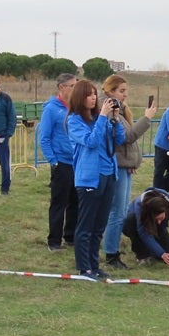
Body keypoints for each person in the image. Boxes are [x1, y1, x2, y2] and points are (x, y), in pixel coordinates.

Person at [67, 79, 125, 281]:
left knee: (99, 225)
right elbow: (91, 142)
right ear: (80, 98)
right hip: (89, 179)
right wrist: (102, 117)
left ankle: (94, 265)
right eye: (89, 95)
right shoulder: (74, 121)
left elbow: (119, 140)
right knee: (86, 226)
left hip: (109, 175)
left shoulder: (98, 118)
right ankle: (84, 268)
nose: (94, 98)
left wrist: (115, 119)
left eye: (94, 94)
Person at [101, 74, 157, 269]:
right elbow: (127, 137)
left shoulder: (120, 110)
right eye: (121, 91)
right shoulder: (109, 110)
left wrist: (131, 160)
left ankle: (112, 248)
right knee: (117, 212)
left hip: (124, 165)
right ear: (110, 90)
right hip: (116, 167)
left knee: (120, 210)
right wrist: (147, 118)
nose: (126, 95)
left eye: (126, 90)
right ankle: (111, 253)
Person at [40, 73, 79, 252]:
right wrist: (53, 161)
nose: (74, 89)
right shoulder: (51, 109)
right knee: (59, 202)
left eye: (75, 85)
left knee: (75, 201)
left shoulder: (76, 107)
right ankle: (54, 241)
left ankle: (70, 236)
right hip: (61, 162)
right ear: (61, 87)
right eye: (71, 86)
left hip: (77, 162)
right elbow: (44, 138)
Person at [123, 188, 169, 266]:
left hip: (159, 228)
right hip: (133, 225)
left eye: (160, 219)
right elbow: (144, 234)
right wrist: (161, 253)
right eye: (156, 219)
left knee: (168, 255)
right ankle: (142, 255)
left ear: (165, 210)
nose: (158, 222)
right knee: (130, 220)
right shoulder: (140, 205)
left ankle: (152, 250)